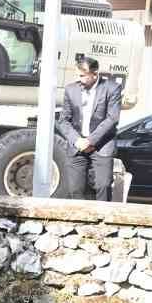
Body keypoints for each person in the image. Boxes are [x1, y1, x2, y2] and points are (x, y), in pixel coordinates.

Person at [54, 57, 122, 203]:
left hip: (102, 144)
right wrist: (77, 140)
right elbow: (63, 120)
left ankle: (102, 221)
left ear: (95, 74)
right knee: (74, 189)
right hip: (77, 144)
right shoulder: (71, 90)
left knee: (103, 186)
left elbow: (112, 118)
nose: (79, 79)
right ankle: (79, 220)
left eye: (82, 76)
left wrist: (91, 141)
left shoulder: (112, 88)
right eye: (78, 75)